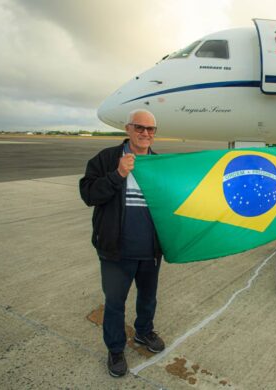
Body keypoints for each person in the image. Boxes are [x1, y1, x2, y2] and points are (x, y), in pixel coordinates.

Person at [79, 109, 165, 378]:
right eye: (139, 127)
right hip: (116, 251)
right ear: (128, 129)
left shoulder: (160, 164)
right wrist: (117, 174)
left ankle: (143, 332)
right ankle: (116, 349)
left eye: (151, 129)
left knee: (148, 298)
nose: (145, 133)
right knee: (115, 303)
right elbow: (89, 194)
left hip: (150, 251)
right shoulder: (106, 159)